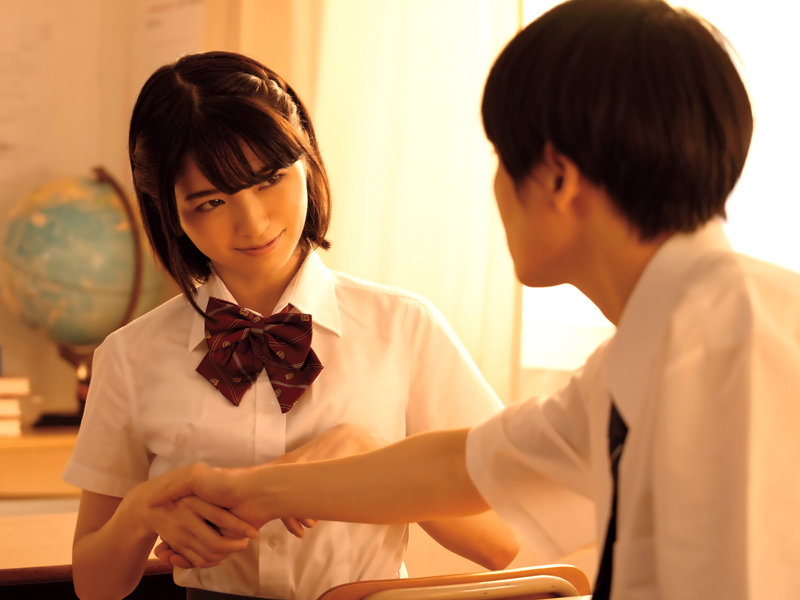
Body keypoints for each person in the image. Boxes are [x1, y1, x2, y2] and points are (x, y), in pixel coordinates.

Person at [147, 0, 800, 598]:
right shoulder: (653, 348)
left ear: (558, 177)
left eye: (500, 157)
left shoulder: (728, 343)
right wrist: (248, 490)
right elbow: (463, 467)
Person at [62, 51, 519, 600]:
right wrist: (141, 512)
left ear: (307, 161)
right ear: (169, 213)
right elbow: (95, 585)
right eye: (211, 201)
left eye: (269, 180)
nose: (252, 222)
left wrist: (375, 461)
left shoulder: (403, 327)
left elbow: (502, 541)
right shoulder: (129, 356)